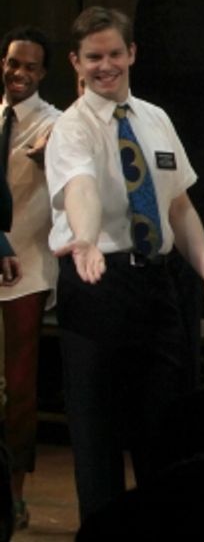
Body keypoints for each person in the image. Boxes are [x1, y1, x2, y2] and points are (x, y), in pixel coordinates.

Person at [44, 6, 204, 521]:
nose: (105, 66)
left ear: (132, 54)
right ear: (75, 63)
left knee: (165, 425)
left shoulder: (155, 119)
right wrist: (84, 239)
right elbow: (81, 186)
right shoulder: (71, 127)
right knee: (97, 430)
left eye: (113, 54)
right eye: (92, 58)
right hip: (96, 280)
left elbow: (178, 205)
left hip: (157, 283)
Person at [0, 27, 61, 528]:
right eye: (12, 63)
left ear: (42, 74)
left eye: (29, 67)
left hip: (26, 271)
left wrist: (54, 160)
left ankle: (14, 494)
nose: (18, 73)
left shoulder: (54, 124)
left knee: (19, 388)